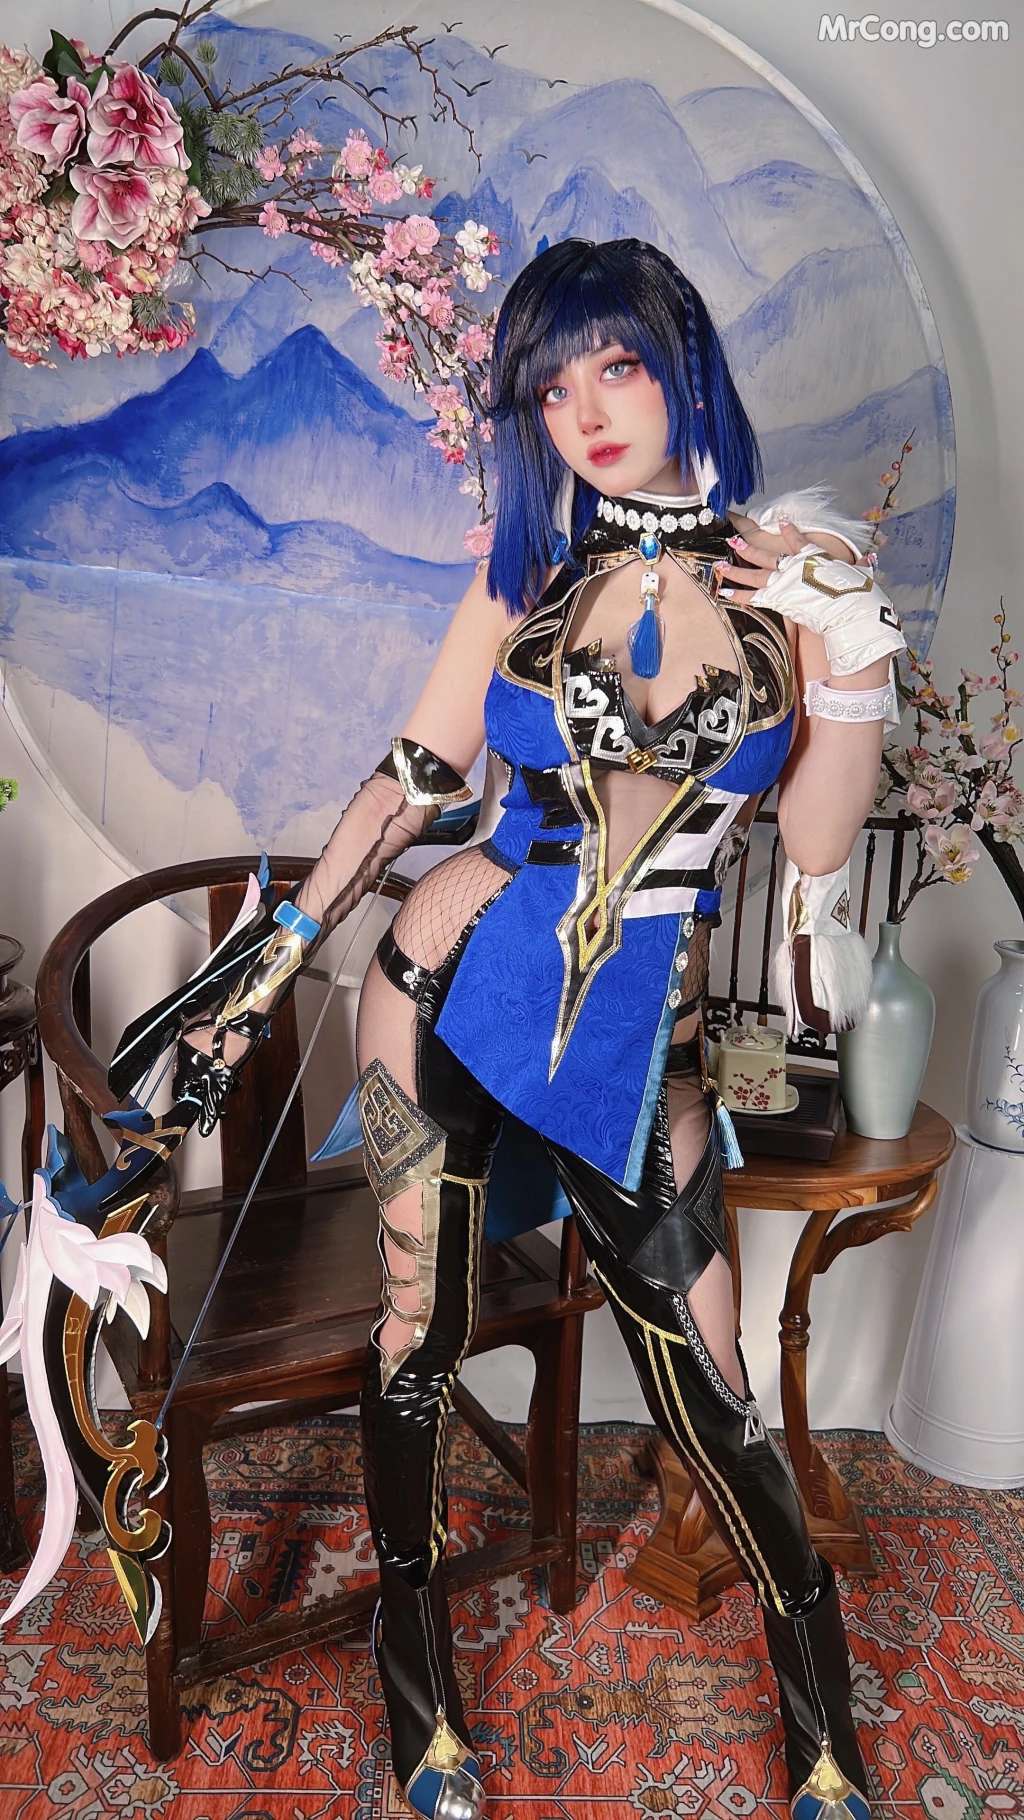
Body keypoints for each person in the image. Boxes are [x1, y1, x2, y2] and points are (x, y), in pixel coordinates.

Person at [108, 237, 905, 1819]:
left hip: (640, 1049)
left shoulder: (794, 574)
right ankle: (424, 1700)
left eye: (617, 365)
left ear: (685, 364)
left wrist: (859, 649)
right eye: (550, 387)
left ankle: (825, 1727)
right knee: (418, 1339)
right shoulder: (524, 564)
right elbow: (416, 775)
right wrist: (263, 969)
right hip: (439, 1002)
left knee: (711, 1388)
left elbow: (818, 841)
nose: (585, 412)